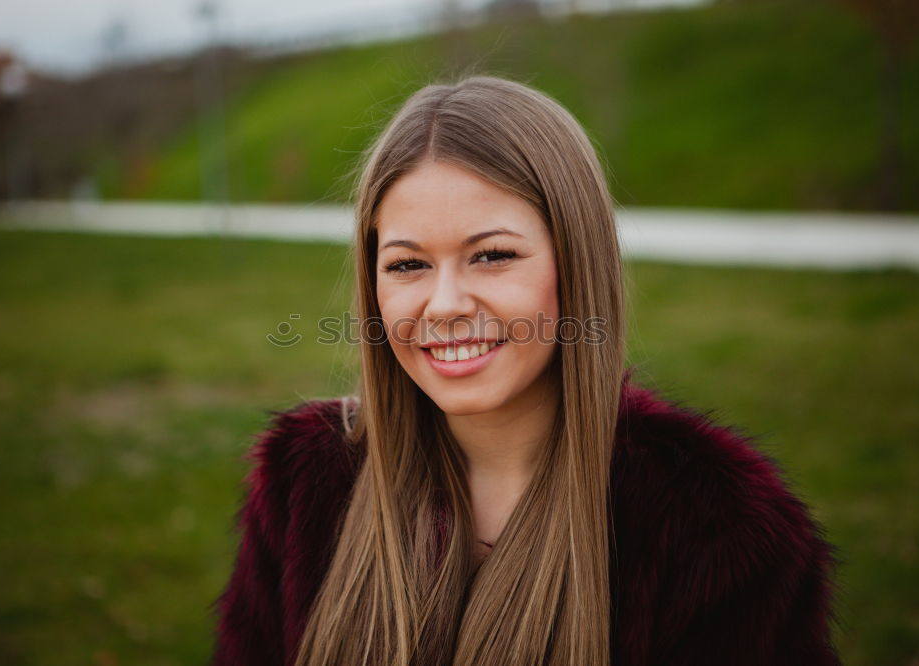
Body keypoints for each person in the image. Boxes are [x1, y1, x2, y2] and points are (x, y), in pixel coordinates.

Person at [211, 75, 841, 665]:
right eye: (407, 265)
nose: (446, 304)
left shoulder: (721, 532)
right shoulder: (304, 485)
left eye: (491, 255)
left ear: (577, 261)